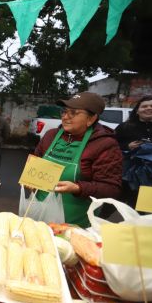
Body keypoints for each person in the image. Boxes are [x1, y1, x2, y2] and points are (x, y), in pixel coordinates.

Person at [34, 92, 123, 227]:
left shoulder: (104, 144)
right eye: (64, 112)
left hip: (74, 223)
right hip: (39, 214)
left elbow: (111, 188)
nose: (65, 117)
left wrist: (78, 188)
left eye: (74, 113)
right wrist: (30, 180)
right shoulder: (50, 135)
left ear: (91, 119)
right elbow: (36, 163)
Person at [115, 95, 152, 206]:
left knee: (144, 209)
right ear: (137, 111)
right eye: (144, 106)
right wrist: (127, 146)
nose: (149, 108)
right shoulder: (125, 127)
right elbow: (111, 145)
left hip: (150, 180)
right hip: (126, 176)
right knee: (115, 206)